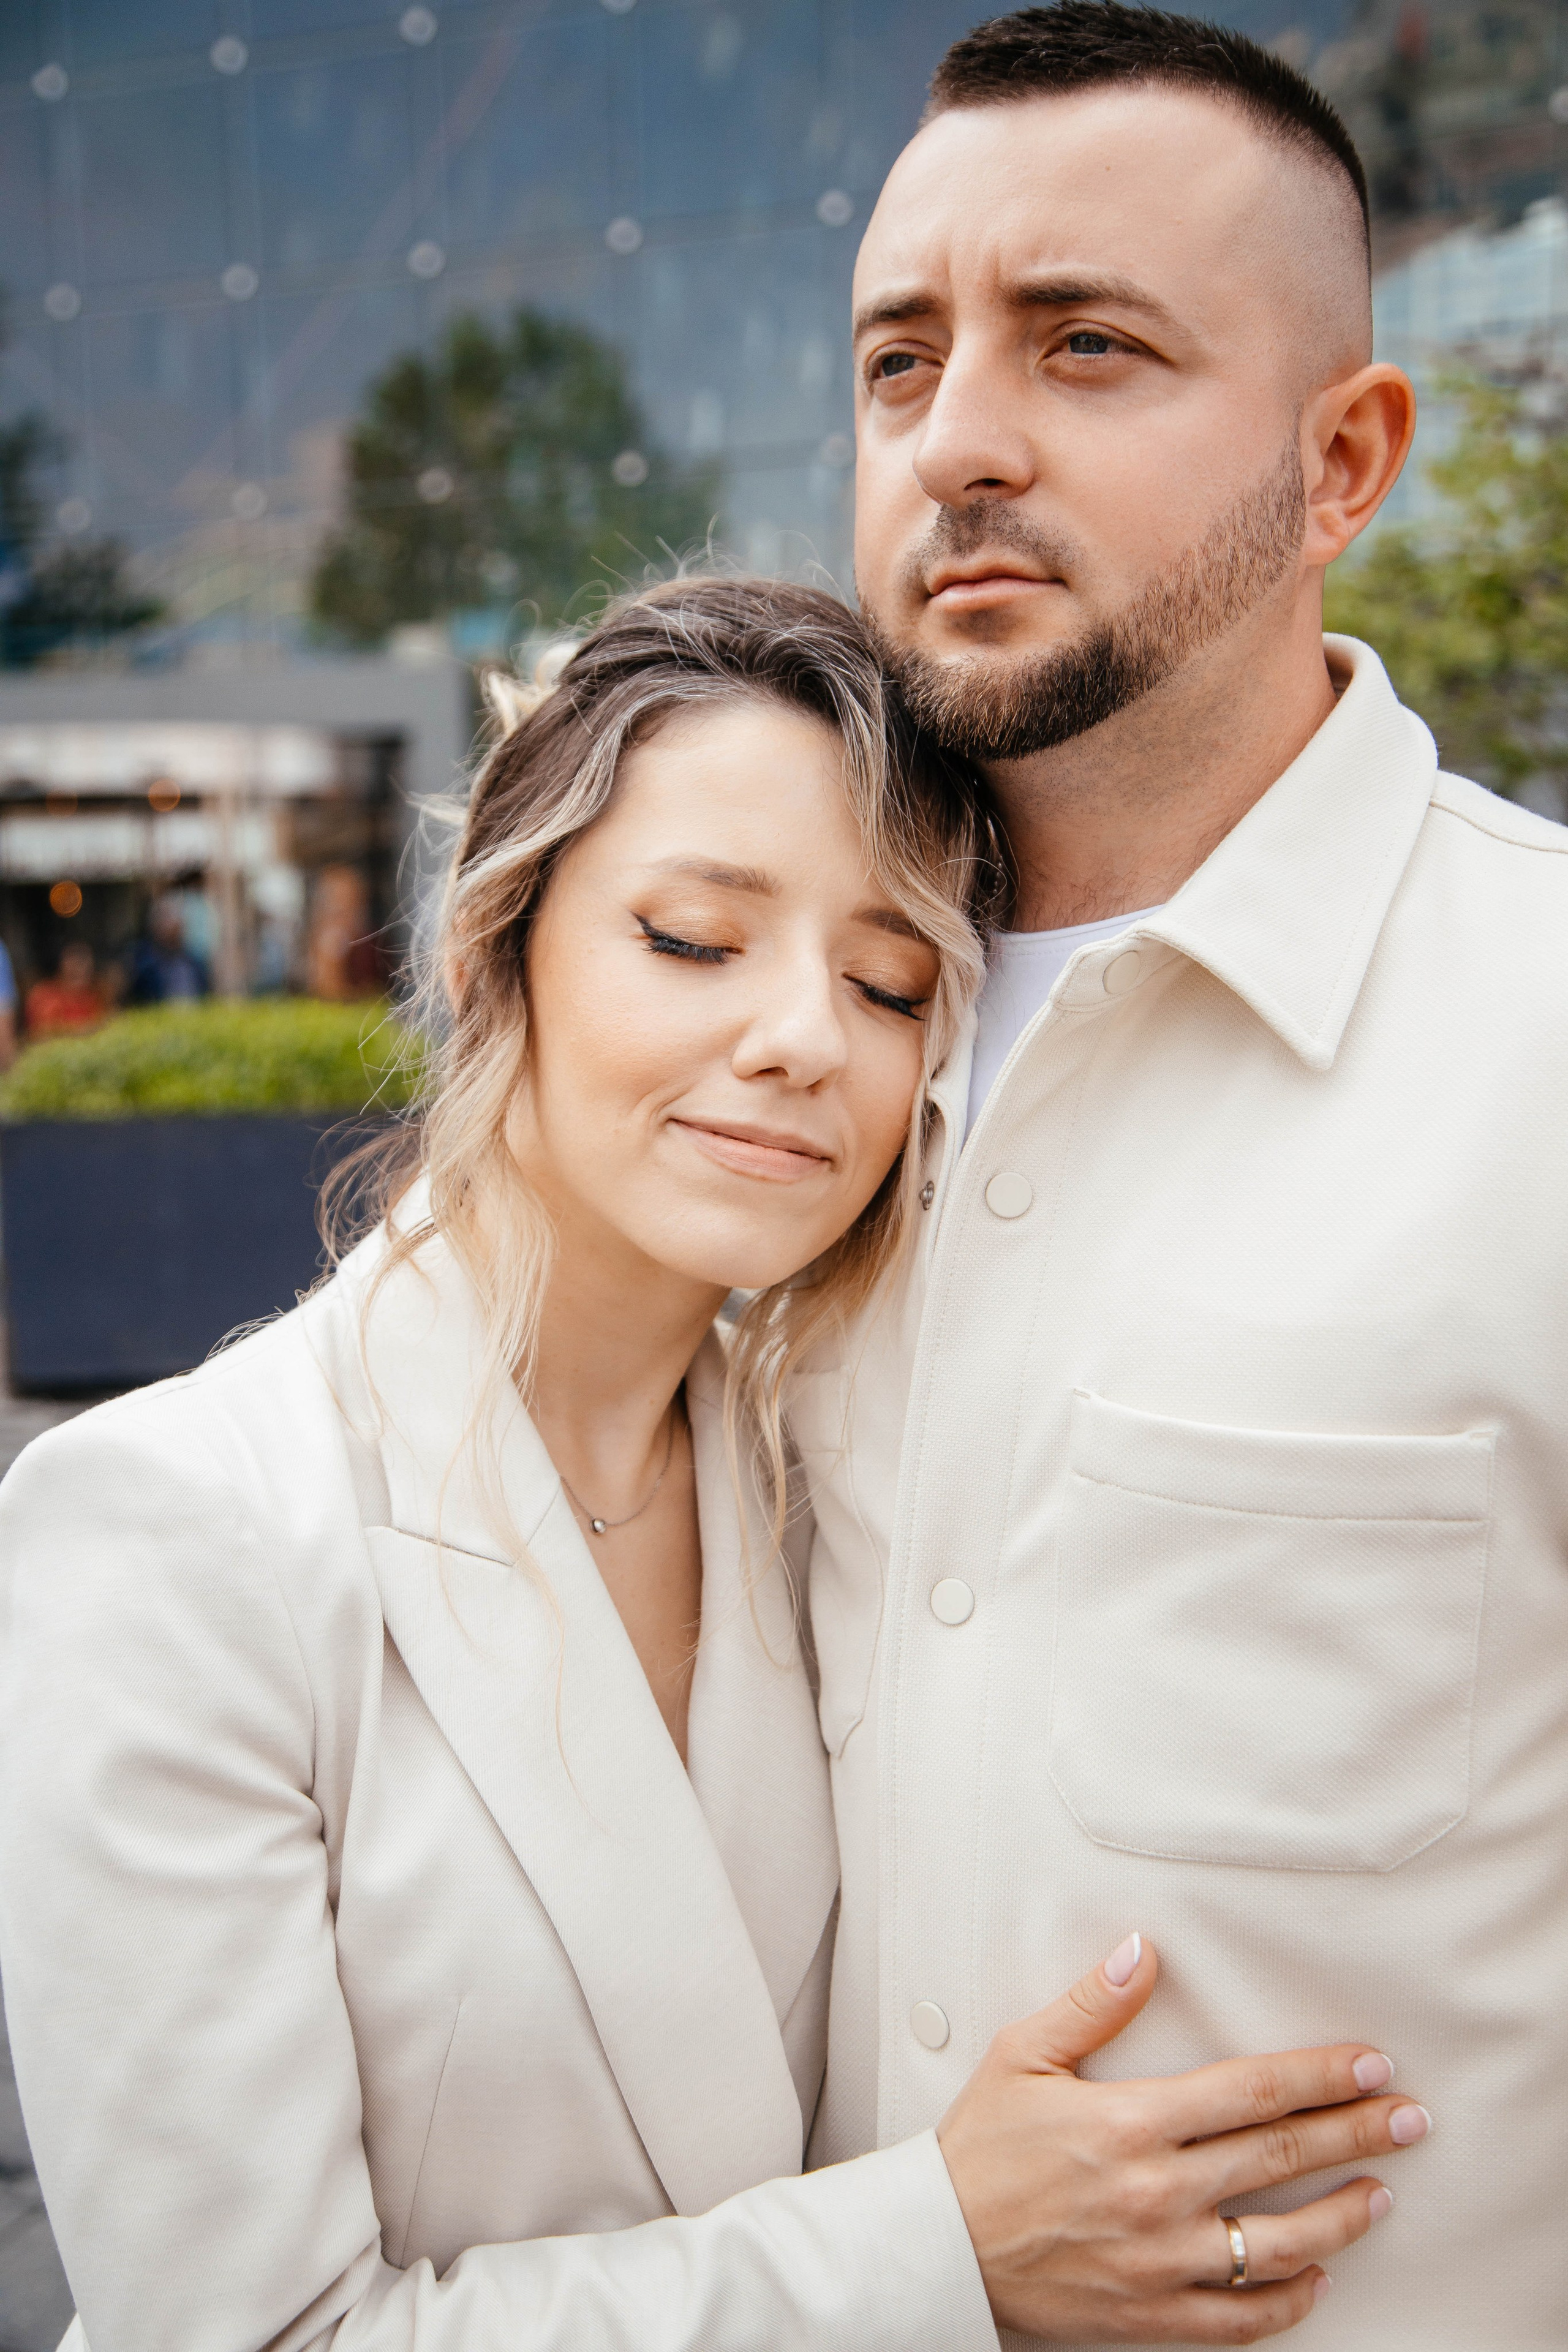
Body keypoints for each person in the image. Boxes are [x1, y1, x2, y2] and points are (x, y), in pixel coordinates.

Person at [0, 581, 1417, 2352]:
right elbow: (243, 2331)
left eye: (892, 983)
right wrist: (941, 2253)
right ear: (483, 951)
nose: (805, 1037)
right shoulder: (174, 1525)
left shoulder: (831, 1475)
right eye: (691, 939)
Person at [800, 3, 1562, 2344]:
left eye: (1085, 348)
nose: (960, 444)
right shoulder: (739, 1067)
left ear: (1341, 461)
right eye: (897, 361)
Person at [125, 892, 209, 1004]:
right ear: (155, 926)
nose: (176, 930)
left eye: (179, 924)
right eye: (169, 923)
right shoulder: (141, 965)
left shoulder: (194, 964)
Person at [24, 941, 104, 1039]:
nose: (79, 966)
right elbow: (41, 1035)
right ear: (60, 964)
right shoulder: (44, 995)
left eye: (84, 958)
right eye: (73, 958)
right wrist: (82, 1030)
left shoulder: (98, 994)